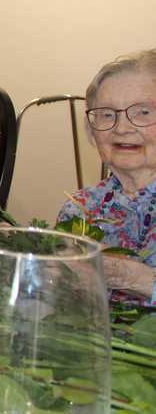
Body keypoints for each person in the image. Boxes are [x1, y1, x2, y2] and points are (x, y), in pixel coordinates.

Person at [58, 49, 156, 305]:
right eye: (107, 114)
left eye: (143, 112)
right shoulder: (80, 209)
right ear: (92, 133)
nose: (122, 128)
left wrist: (130, 277)